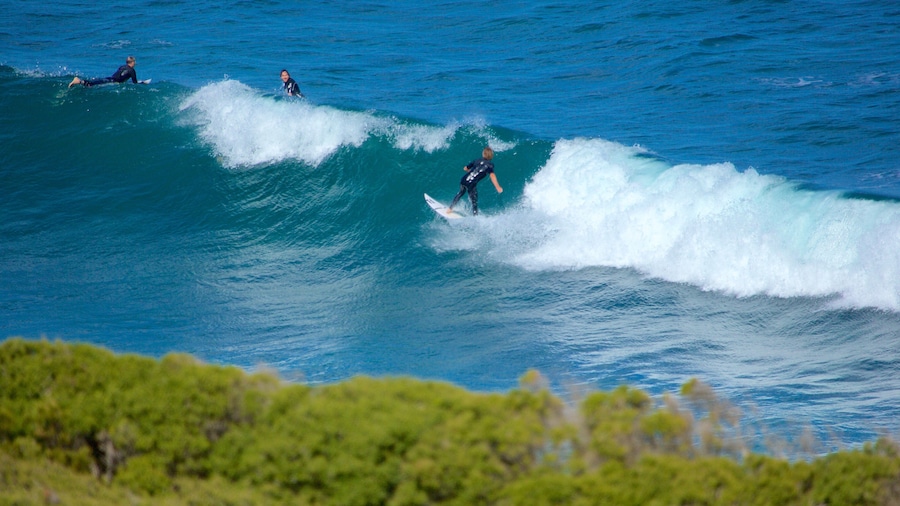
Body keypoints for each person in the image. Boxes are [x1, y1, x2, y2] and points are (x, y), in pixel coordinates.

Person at [447, 147, 503, 215]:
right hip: (471, 184)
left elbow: (465, 168)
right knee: (474, 202)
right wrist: (498, 187)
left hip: (464, 180)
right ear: (491, 156)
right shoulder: (490, 165)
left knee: (461, 193)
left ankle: (450, 209)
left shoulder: (477, 160)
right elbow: (492, 175)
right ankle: (475, 216)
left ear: (483, 154)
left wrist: (471, 172)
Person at [68, 56, 139, 87]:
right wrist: (142, 83)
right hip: (113, 82)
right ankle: (79, 81)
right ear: (132, 62)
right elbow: (135, 82)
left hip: (110, 78)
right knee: (92, 85)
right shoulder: (131, 70)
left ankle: (81, 82)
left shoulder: (122, 66)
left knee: (95, 82)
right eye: (134, 62)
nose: (135, 63)